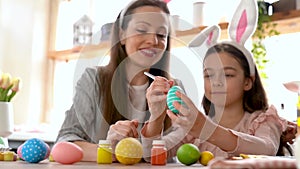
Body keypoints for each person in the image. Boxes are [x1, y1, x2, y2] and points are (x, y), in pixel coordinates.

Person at [141, 0, 297, 161]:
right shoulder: (193, 126)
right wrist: (156, 117)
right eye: (208, 75)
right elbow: (150, 155)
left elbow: (266, 148)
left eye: (227, 74)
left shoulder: (263, 120)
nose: (216, 82)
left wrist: (207, 130)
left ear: (248, 82)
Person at [55, 0, 184, 162]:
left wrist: (154, 124)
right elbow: (65, 140)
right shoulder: (94, 79)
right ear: (122, 36)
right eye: (142, 30)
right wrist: (110, 149)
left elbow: (181, 141)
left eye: (161, 35)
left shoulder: (174, 88)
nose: (153, 40)